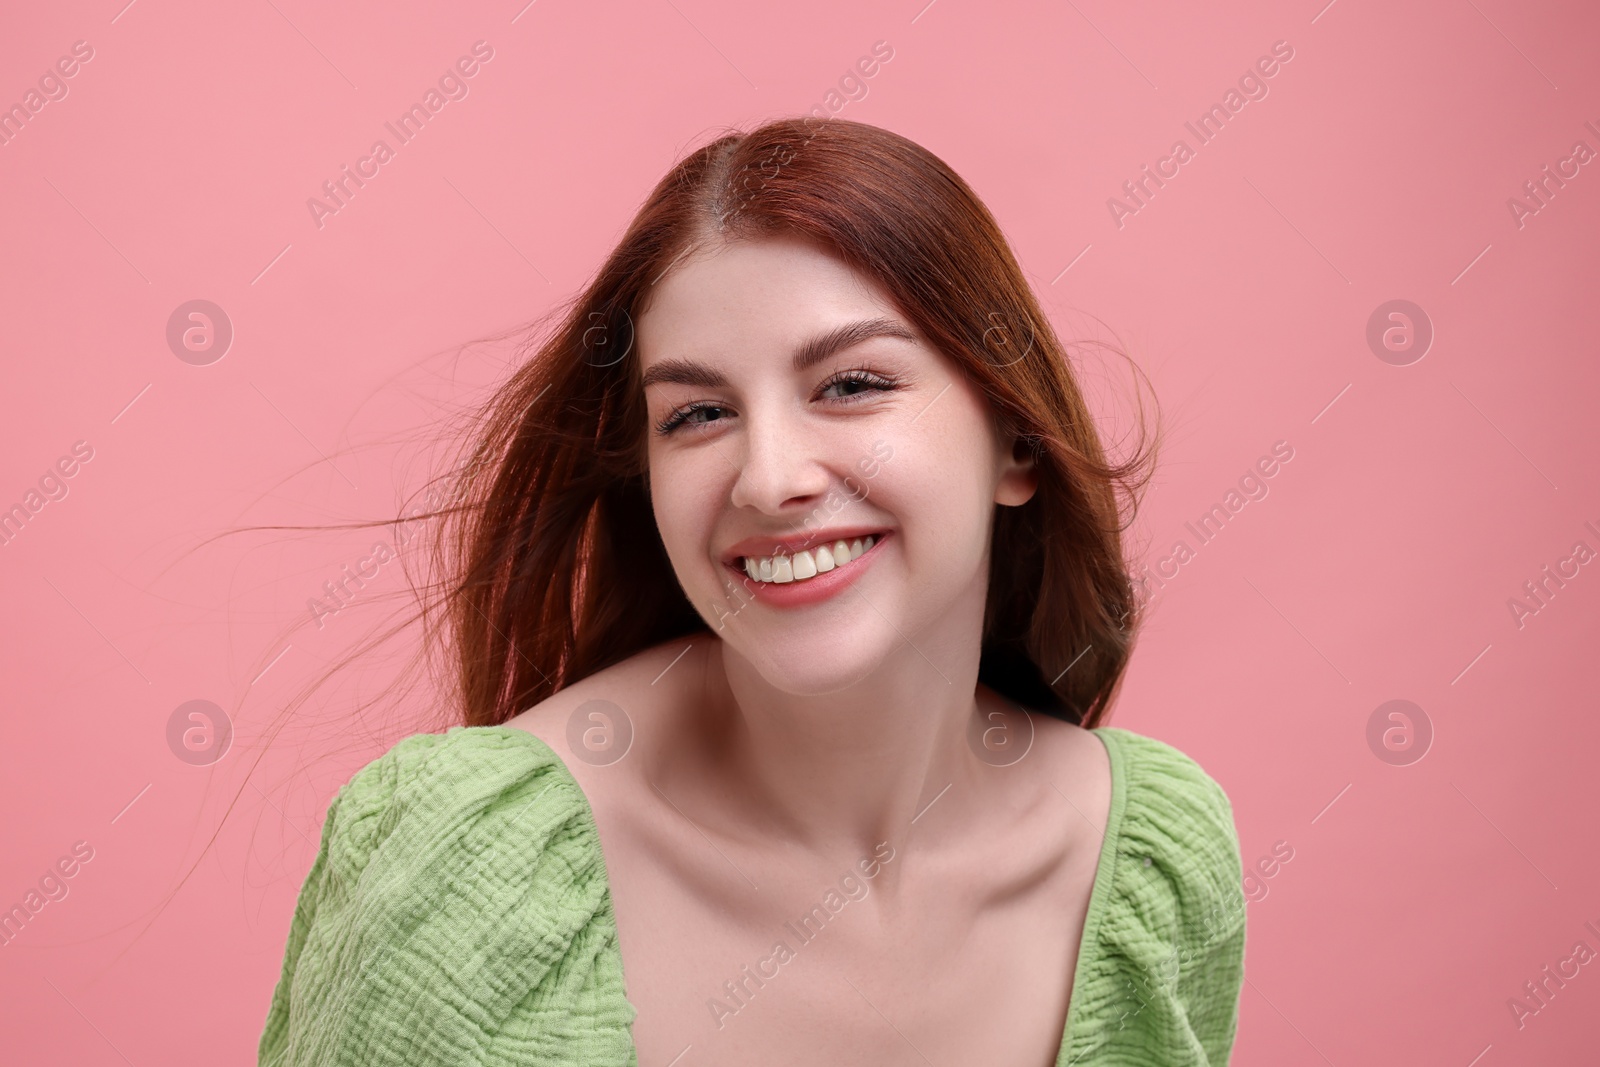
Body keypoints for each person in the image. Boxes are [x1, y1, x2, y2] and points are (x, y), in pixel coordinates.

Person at [257, 116, 1246, 1066]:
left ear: (1016, 440)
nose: (769, 479)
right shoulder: (464, 875)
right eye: (695, 413)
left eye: (851, 385)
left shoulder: (1146, 868)